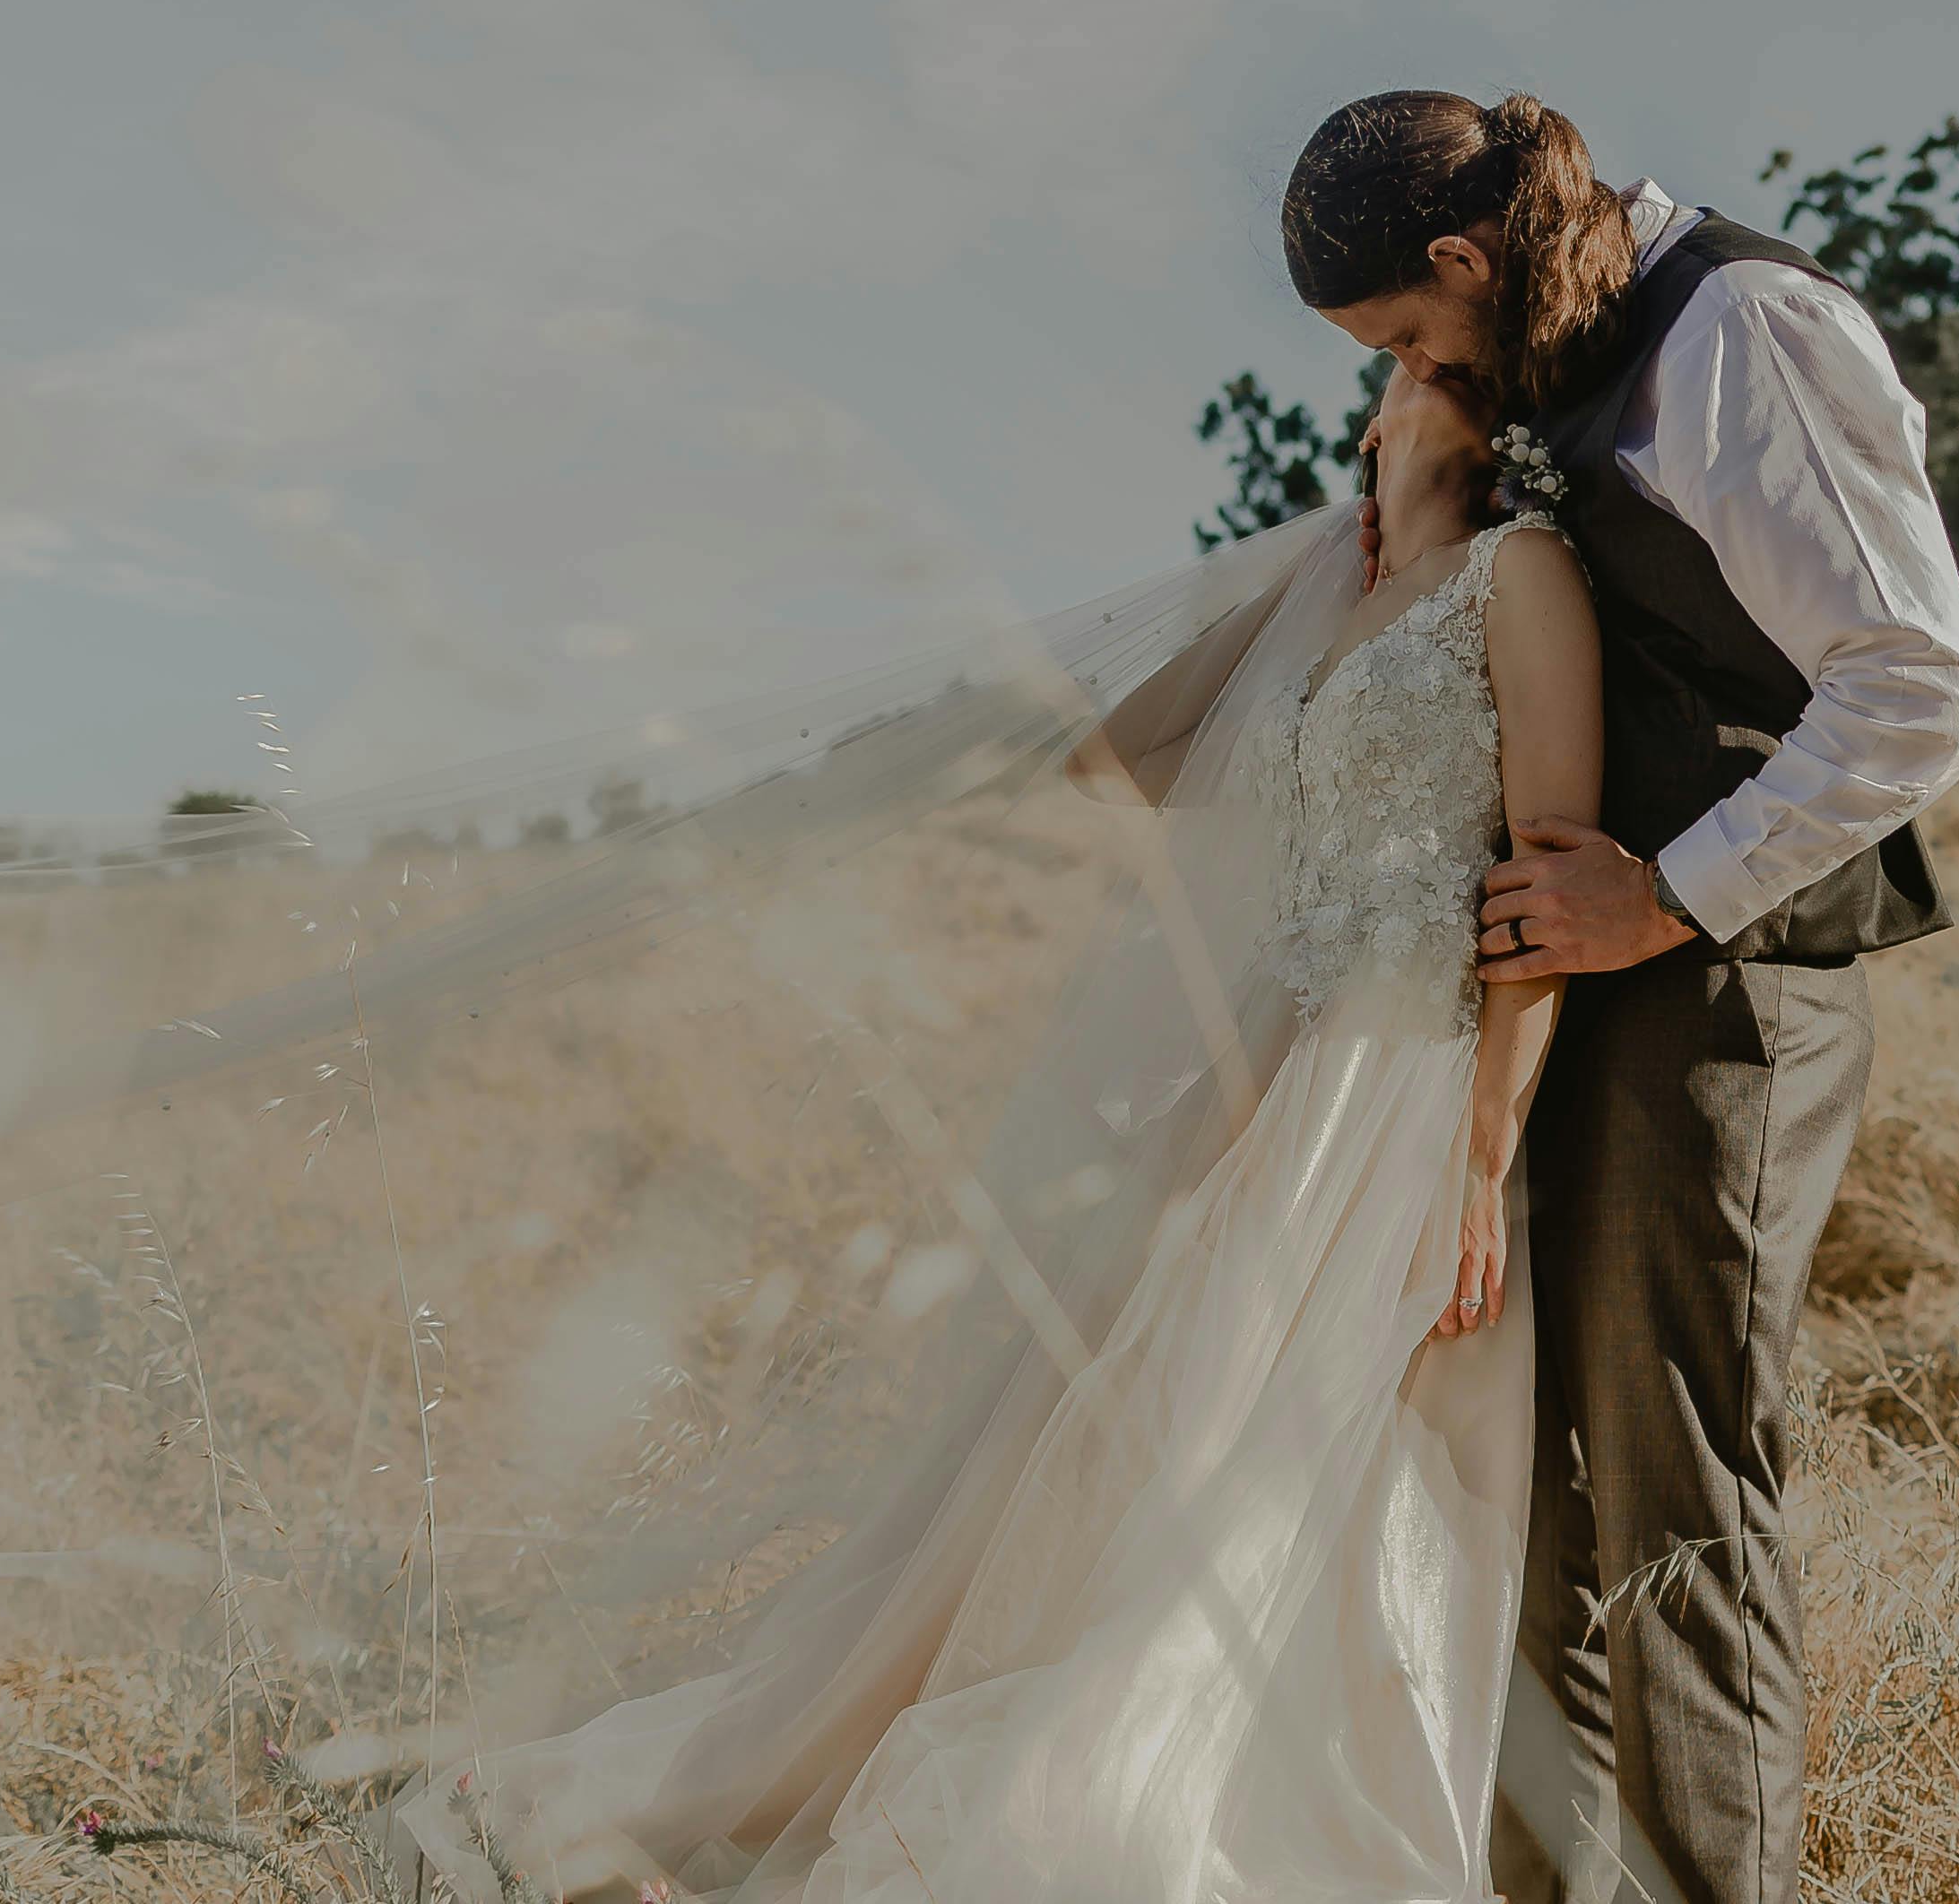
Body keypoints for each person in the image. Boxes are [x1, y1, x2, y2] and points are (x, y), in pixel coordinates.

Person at [388, 357, 1601, 1902]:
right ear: (1366, 414)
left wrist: (1487, 1151)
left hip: (1406, 1086)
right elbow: (1112, 756)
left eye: (1450, 350)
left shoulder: (1525, 575)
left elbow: (1553, 884)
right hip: (1270, 1081)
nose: (1425, 363)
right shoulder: (1334, 600)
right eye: (1397, 360)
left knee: (1285, 1468)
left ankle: (1145, 1817)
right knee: (1140, 1452)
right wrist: (1297, 583)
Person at [1284, 91, 1959, 1904]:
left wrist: (1662, 896)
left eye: (1405, 337)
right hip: (1584, 992)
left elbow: (1918, 687)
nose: (1416, 372)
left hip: (1733, 994)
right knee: (1527, 1488)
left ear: (1462, 259)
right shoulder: (1559, 364)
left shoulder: (1746, 333)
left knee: (1681, 1493)